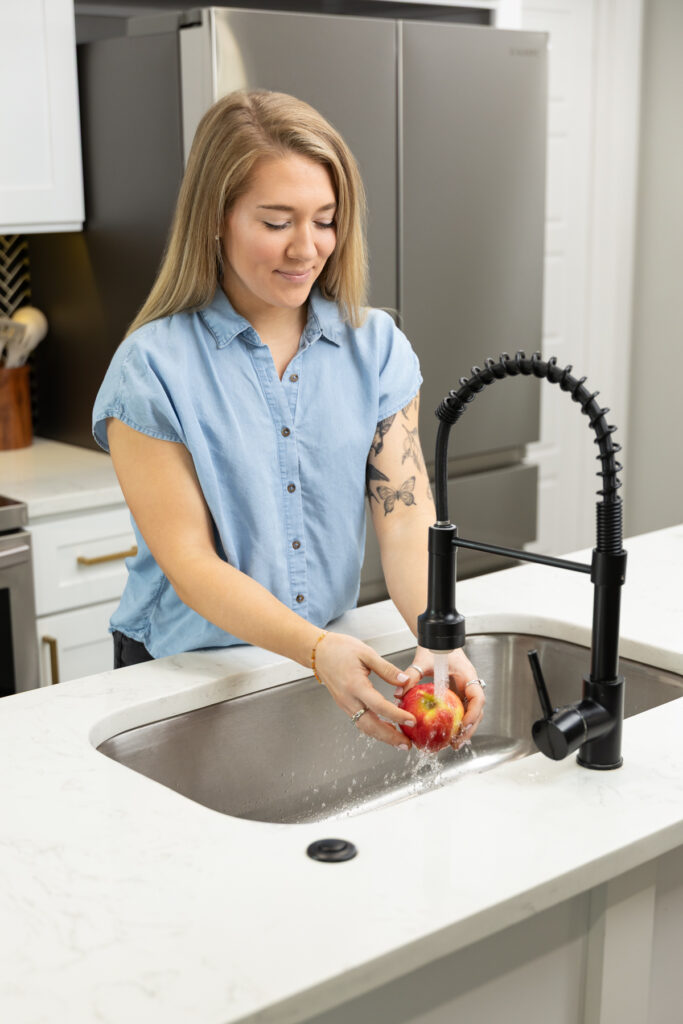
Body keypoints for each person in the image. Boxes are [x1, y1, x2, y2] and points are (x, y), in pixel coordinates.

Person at [92, 89, 485, 751]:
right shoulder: (150, 367)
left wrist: (435, 637)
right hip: (179, 672)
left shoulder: (375, 346)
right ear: (215, 219)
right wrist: (315, 648)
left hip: (322, 655)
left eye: (325, 220)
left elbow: (406, 519)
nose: (307, 248)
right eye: (275, 222)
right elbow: (190, 562)